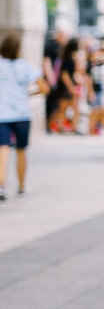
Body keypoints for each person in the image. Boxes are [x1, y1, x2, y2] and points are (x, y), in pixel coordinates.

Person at [0, 35, 42, 200]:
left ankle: (1, 185)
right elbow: (44, 87)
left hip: (2, 114)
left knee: (2, 149)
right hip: (22, 113)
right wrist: (28, 93)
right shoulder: (25, 66)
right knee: (21, 150)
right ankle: (22, 186)